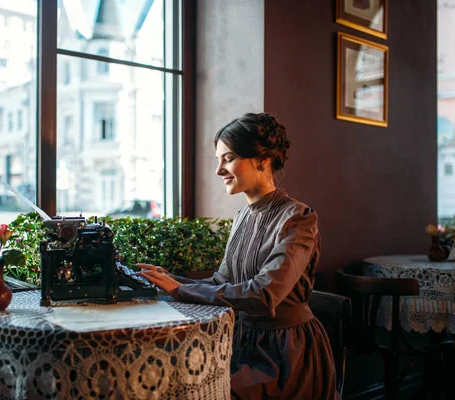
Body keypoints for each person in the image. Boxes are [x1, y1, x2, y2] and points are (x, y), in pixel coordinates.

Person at [137, 112, 339, 400]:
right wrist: (170, 280)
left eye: (228, 158)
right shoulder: (242, 216)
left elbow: (265, 294)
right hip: (244, 343)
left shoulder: (298, 217)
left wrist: (181, 290)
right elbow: (223, 280)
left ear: (262, 160)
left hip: (286, 355)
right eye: (218, 160)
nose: (219, 170)